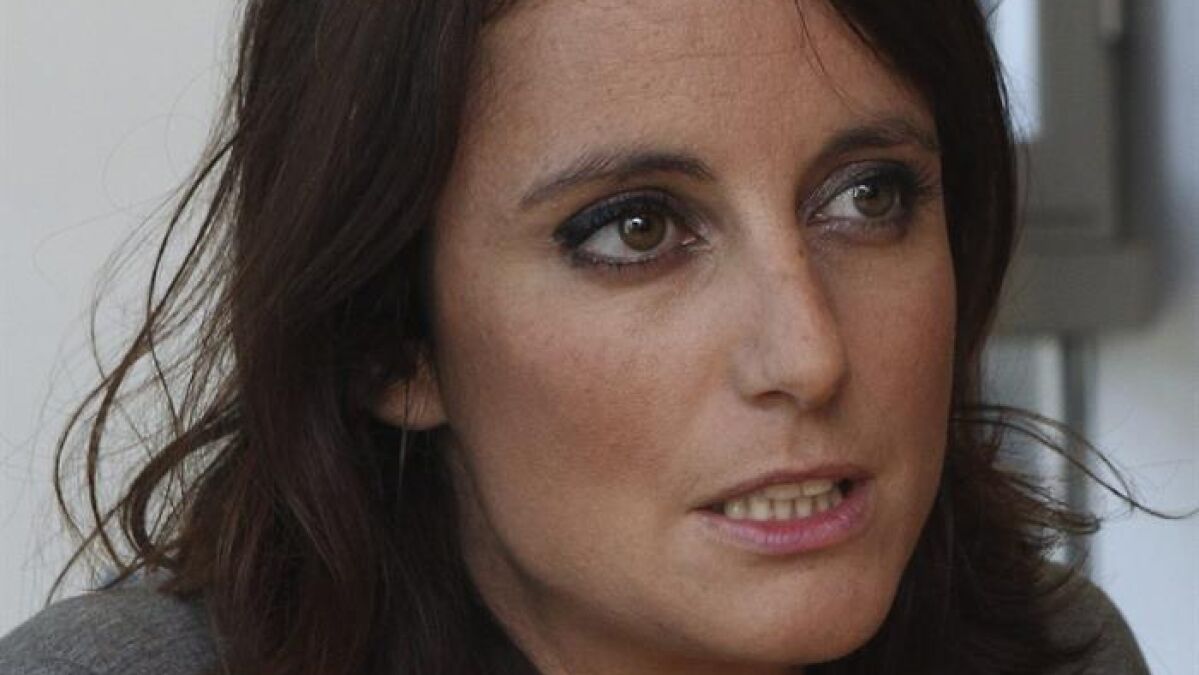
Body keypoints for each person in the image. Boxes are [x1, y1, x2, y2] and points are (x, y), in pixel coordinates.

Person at [0, 0, 1154, 673]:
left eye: (866, 196)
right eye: (635, 229)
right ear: (387, 339)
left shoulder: (1049, 651)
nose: (809, 355)